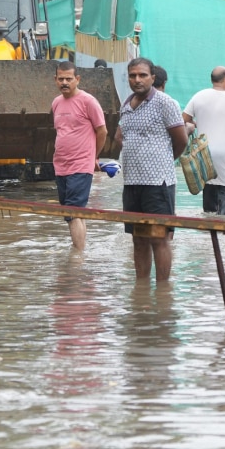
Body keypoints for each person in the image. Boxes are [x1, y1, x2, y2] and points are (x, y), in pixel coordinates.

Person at [117, 57, 188, 281]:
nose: (137, 80)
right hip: (131, 183)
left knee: (159, 238)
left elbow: (181, 140)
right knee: (138, 239)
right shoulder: (126, 105)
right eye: (132, 75)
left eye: (142, 75)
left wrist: (163, 161)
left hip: (159, 183)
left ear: (153, 78)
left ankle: (164, 291)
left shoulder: (165, 103)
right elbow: (121, 137)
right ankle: (142, 289)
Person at [51, 61, 108, 250]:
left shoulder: (88, 101)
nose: (64, 82)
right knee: (73, 213)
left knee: (73, 211)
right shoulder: (56, 102)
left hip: (81, 165)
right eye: (61, 79)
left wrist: (93, 157)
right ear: (55, 80)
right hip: (61, 165)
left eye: (69, 79)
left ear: (77, 79)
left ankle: (77, 257)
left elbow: (102, 131)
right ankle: (81, 250)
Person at [182, 66, 225, 215]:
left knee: (209, 209)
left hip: (205, 156)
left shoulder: (199, 96)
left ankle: (209, 234)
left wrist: (197, 123)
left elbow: (184, 119)